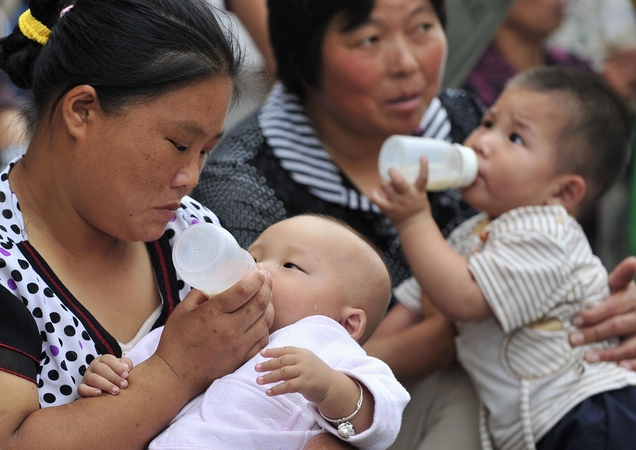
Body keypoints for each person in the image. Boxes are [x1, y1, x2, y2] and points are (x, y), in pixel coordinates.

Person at [192, 1, 636, 448]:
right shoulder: (243, 184)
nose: (406, 63)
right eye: (370, 39)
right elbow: (254, 356)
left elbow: (548, 253)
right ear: (303, 54)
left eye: (422, 27)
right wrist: (445, 331)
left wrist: (612, 305)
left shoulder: (469, 126)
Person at [0, 1, 290, 449]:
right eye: (178, 144)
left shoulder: (189, 230)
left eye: (205, 151)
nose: (191, 178)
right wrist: (177, 371)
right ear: (82, 111)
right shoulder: (7, 261)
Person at [373, 67, 636, 450]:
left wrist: (413, 220)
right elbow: (413, 306)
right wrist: (351, 359)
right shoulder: (472, 232)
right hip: (538, 426)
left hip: (589, 411)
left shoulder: (549, 235)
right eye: (488, 122)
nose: (482, 142)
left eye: (514, 137)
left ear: (564, 192)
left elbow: (465, 299)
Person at [79, 214, 410, 450]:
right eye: (253, 255)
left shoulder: (329, 345)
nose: (258, 269)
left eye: (290, 265)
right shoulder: (208, 324)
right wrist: (110, 374)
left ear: (348, 323)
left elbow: (384, 416)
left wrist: (329, 386)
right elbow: (145, 371)